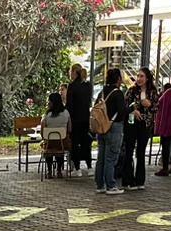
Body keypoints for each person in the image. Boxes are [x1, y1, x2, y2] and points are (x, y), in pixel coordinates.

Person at [121, 67, 158, 191]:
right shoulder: (131, 90)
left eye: (142, 76)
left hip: (145, 124)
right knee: (129, 151)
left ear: (147, 78)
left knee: (141, 152)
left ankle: (140, 180)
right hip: (131, 124)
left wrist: (150, 104)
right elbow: (125, 105)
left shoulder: (152, 91)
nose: (139, 79)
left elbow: (156, 107)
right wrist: (134, 110)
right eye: (138, 76)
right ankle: (128, 180)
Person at [95, 67, 128, 195]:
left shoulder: (102, 92)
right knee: (111, 157)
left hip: (101, 127)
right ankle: (111, 185)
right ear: (118, 79)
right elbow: (121, 111)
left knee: (101, 157)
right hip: (114, 127)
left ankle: (100, 184)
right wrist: (131, 109)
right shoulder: (117, 93)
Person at [66, 63, 94, 175]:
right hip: (85, 118)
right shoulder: (88, 85)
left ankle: (77, 168)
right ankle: (89, 167)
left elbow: (69, 105)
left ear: (73, 72)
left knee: (75, 143)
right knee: (85, 143)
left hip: (75, 119)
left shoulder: (72, 86)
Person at [40, 91, 72, 177]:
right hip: (63, 143)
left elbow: (42, 131)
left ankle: (49, 171)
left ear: (52, 102)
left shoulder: (47, 115)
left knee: (48, 147)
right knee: (59, 148)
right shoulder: (66, 113)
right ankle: (59, 171)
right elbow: (69, 129)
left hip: (49, 144)